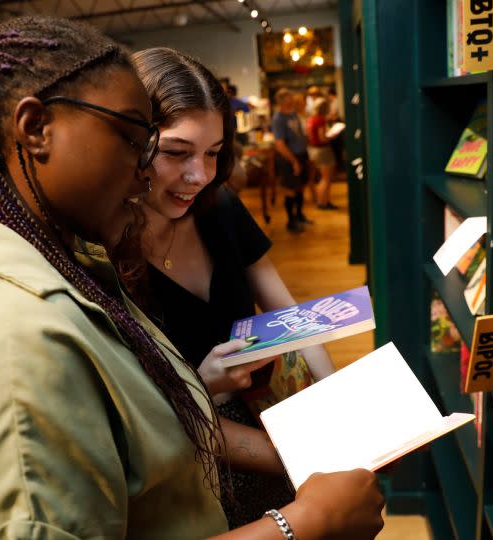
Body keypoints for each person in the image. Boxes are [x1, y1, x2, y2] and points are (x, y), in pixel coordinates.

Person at [0, 16, 383, 539]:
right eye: (138, 142)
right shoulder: (17, 340)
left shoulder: (73, 265)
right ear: (36, 128)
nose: (147, 171)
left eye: (213, 154)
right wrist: (303, 521)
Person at [132, 47, 339, 528]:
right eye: (176, 153)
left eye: (214, 153)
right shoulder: (102, 256)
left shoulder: (218, 206)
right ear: (131, 143)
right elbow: (141, 419)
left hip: (274, 421)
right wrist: (203, 387)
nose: (199, 176)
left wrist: (335, 401)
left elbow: (287, 313)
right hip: (196, 464)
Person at [272, 88, 311, 233]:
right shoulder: (278, 119)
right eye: (289, 98)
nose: (292, 100)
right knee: (290, 190)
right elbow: (279, 144)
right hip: (289, 158)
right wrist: (293, 161)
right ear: (283, 101)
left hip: (301, 154)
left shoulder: (293, 114)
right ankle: (291, 221)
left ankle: (300, 215)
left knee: (300, 186)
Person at [306, 98, 339, 210]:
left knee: (322, 178)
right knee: (326, 178)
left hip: (313, 150)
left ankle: (324, 201)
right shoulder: (320, 120)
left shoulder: (311, 119)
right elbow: (322, 138)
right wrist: (333, 135)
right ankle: (322, 203)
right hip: (323, 150)